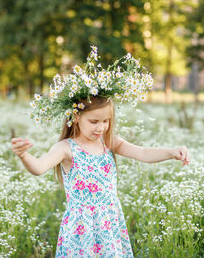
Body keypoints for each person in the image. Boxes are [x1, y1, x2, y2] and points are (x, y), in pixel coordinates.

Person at [10, 47, 189, 257]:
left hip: (109, 224)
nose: (101, 127)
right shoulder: (66, 148)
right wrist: (23, 155)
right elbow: (39, 168)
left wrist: (171, 152)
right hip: (81, 229)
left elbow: (142, 153)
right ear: (76, 117)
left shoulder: (108, 142)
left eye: (106, 121)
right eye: (94, 121)